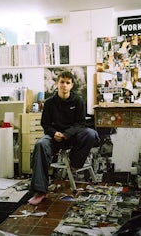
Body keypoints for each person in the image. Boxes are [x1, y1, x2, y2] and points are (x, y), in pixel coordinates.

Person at [28, 70, 99, 205]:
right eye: (62, 82)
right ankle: (40, 190)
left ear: (72, 85)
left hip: (72, 136)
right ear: (57, 83)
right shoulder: (49, 103)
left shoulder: (78, 101)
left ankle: (75, 163)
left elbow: (80, 124)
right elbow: (45, 124)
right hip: (54, 137)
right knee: (40, 144)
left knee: (91, 134)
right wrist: (54, 133)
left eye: (67, 83)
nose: (64, 85)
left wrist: (67, 134)